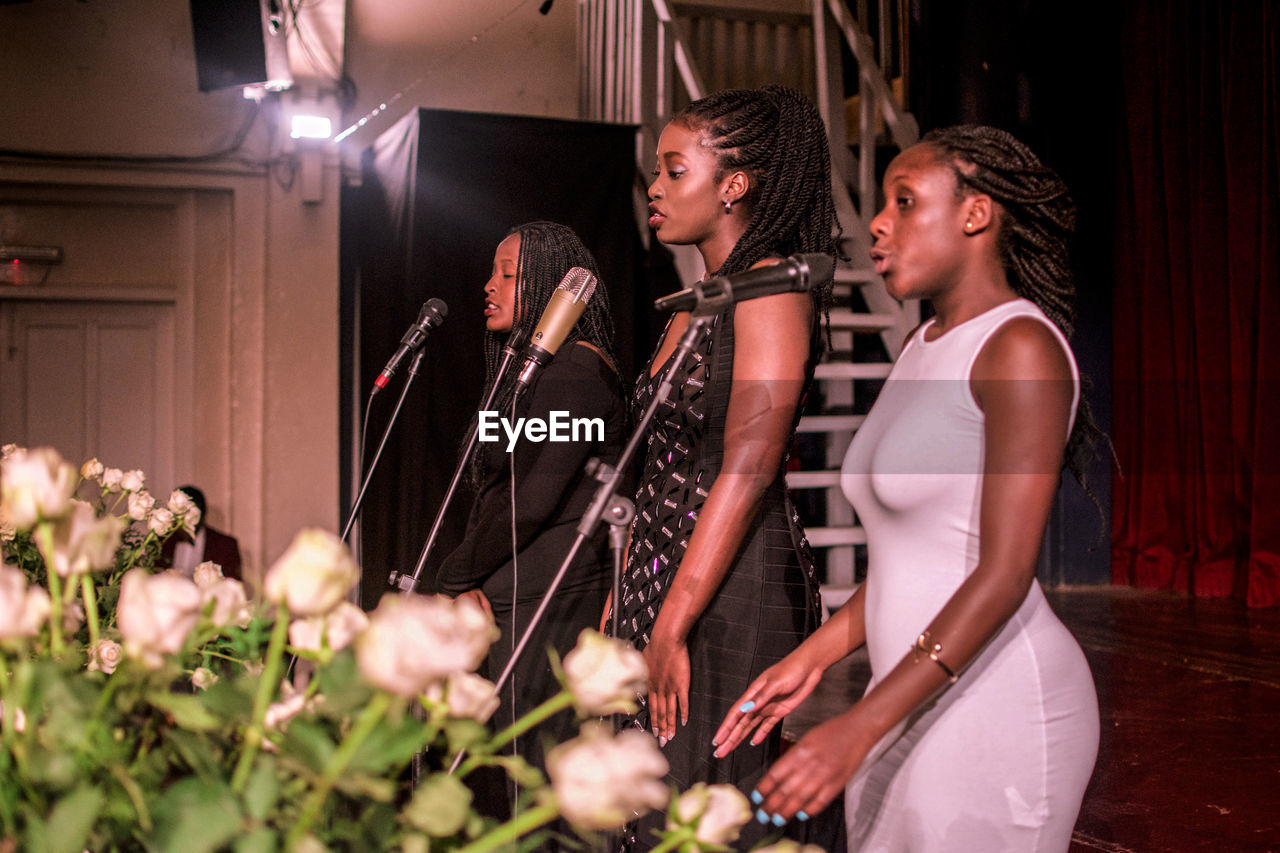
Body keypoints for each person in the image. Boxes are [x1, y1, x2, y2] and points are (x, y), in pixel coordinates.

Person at [714, 125, 1103, 851]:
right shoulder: (919, 347)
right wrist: (817, 654)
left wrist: (861, 723)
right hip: (906, 696)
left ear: (976, 213)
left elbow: (1003, 571)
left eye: (904, 201)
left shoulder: (1019, 347)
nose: (878, 225)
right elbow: (912, 560)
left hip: (994, 703)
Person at [612, 85, 842, 850]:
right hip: (669, 574)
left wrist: (672, 619)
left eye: (675, 170)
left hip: (735, 587)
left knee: (706, 815)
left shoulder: (770, 285)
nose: (655, 186)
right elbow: (659, 465)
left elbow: (749, 461)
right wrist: (635, 590)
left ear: (734, 184)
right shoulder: (691, 300)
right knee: (648, 807)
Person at [434, 221, 626, 821]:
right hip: (520, 595)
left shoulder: (576, 375)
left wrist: (454, 578)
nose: (488, 286)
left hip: (550, 602)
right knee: (517, 784)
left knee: (544, 790)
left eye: (508, 274)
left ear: (549, 285)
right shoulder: (534, 372)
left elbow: (530, 500)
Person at [161, 484, 243, 582]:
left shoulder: (225, 545)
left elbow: (232, 586)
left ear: (201, 515)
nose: (180, 520)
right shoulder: (162, 542)